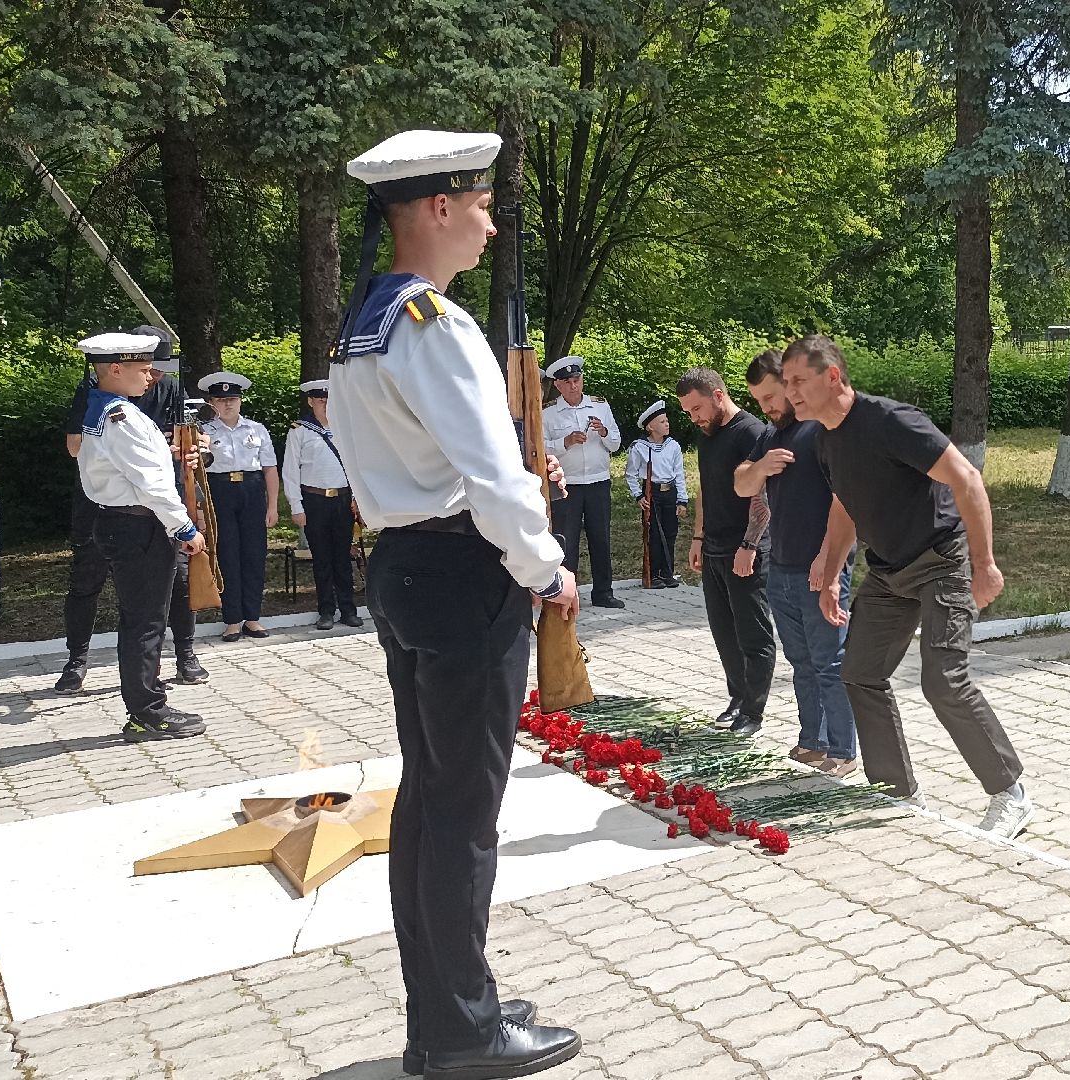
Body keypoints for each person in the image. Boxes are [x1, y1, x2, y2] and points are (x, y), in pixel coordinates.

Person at [331, 129, 581, 1078]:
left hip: (406, 565)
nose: (488, 224)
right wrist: (545, 568)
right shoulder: (434, 323)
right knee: (464, 812)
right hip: (464, 570)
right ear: (437, 207)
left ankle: (444, 1010)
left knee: (431, 803)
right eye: (479, 205)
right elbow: (493, 474)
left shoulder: (366, 321)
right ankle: (463, 1033)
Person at [782, 335, 1034, 838]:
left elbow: (967, 479)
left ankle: (1011, 794)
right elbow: (844, 505)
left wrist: (984, 564)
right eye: (786, 382)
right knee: (859, 673)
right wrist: (830, 570)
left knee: (943, 680)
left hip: (941, 560)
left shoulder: (890, 421)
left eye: (798, 381)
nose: (790, 392)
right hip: (888, 571)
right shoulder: (825, 439)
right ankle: (897, 792)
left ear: (832, 376)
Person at [73, 332, 209, 741]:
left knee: (140, 620)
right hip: (139, 526)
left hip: (123, 522)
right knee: (146, 624)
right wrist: (184, 527)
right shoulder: (122, 417)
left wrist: (170, 454)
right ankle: (147, 713)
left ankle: (146, 704)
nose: (151, 376)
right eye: (144, 368)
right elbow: (153, 485)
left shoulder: (106, 408)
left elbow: (132, 466)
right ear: (116, 369)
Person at [734, 349, 859, 776]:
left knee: (830, 662)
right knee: (802, 662)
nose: (765, 407)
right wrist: (761, 468)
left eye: (771, 396)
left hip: (821, 567)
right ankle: (813, 741)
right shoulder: (771, 436)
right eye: (758, 400)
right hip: (782, 567)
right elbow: (741, 484)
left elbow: (846, 499)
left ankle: (843, 750)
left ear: (790, 384)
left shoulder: (822, 430)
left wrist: (827, 559)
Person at [677, 366, 777, 736]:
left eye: (697, 408)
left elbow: (762, 494)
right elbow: (705, 487)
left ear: (718, 396)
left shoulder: (751, 432)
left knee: (752, 634)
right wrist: (698, 537)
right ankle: (737, 697)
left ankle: (753, 711)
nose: (694, 417)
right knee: (724, 633)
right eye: (688, 411)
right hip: (714, 548)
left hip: (746, 549)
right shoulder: (708, 434)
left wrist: (749, 545)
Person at [199, 371, 278, 640]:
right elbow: (198, 474)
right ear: (211, 403)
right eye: (221, 400)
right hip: (220, 491)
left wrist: (272, 506)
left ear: (240, 400)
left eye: (232, 399)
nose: (228, 404)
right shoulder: (204, 432)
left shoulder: (256, 429)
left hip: (252, 491)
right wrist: (200, 510)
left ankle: (252, 618)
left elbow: (270, 469)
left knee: (254, 554)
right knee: (227, 555)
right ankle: (232, 620)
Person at [542, 356, 623, 608]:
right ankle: (568, 594)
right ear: (557, 385)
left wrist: (604, 432)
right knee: (568, 541)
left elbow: (616, 443)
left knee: (601, 539)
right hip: (568, 485)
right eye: (567, 382)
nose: (573, 386)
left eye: (576, 380)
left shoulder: (600, 406)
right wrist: (565, 442)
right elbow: (540, 448)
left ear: (582, 380)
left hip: (598, 482)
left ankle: (603, 592)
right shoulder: (548, 413)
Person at [281, 379, 361, 630]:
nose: (325, 406)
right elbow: (290, 471)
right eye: (320, 401)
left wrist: (358, 499)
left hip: (343, 499)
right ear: (310, 402)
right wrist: (296, 506)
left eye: (329, 401)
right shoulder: (299, 431)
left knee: (343, 557)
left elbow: (356, 466)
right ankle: (326, 610)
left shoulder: (346, 428)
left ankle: (348, 609)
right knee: (322, 559)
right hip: (314, 500)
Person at [625, 401, 687, 587]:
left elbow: (679, 474)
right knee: (654, 534)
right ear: (650, 427)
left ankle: (667, 573)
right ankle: (653, 574)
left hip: (670, 492)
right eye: (662, 422)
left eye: (667, 421)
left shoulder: (673, 446)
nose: (667, 424)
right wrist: (638, 495)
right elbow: (631, 474)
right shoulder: (639, 447)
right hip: (652, 492)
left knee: (670, 533)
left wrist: (682, 499)